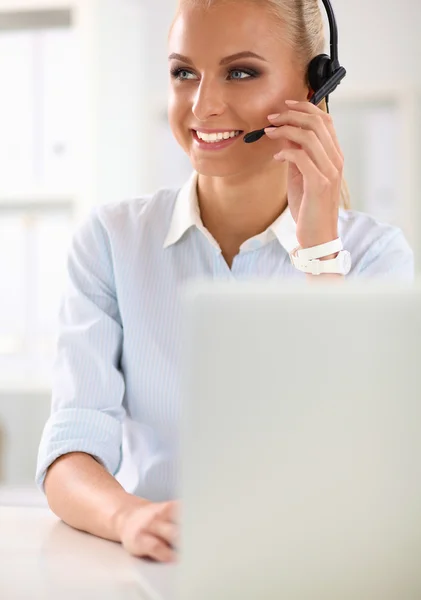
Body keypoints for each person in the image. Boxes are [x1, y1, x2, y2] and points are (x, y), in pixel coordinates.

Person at [36, 0, 414, 564]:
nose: (203, 104)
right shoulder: (113, 242)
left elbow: (362, 461)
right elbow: (71, 444)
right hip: (156, 566)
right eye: (183, 72)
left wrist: (318, 256)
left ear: (315, 86)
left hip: (312, 569)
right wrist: (131, 517)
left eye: (241, 72)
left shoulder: (375, 257)